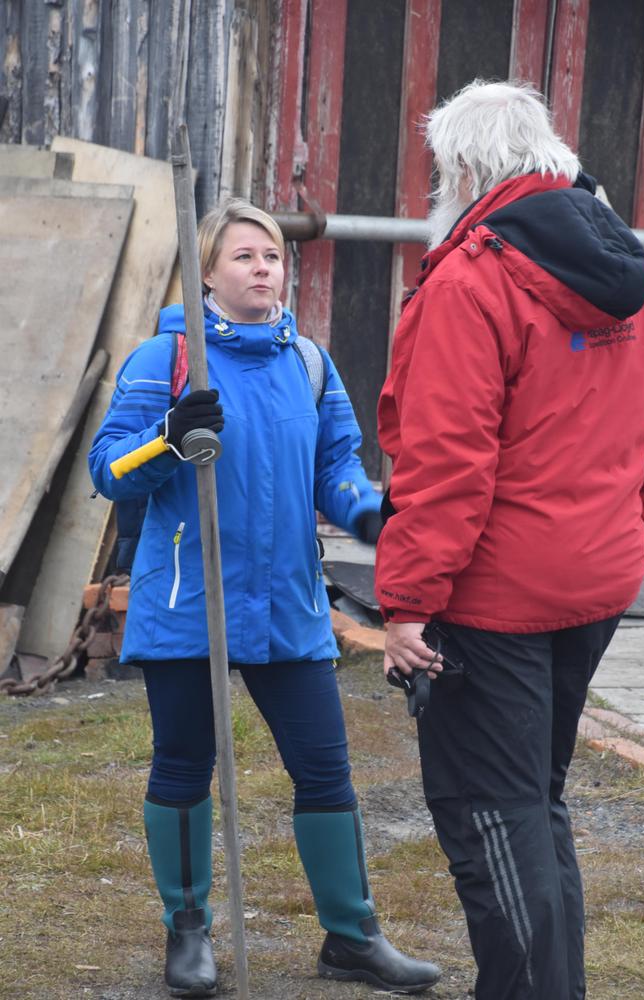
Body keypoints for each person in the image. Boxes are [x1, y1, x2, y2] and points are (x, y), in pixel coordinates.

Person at [89, 198, 441, 998]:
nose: (262, 270)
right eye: (244, 257)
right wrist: (170, 437)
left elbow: (338, 470)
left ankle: (352, 937)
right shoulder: (165, 358)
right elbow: (108, 469)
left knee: (325, 770)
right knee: (183, 765)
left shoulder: (309, 364)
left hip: (287, 603)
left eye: (273, 257)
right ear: (208, 270)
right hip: (189, 601)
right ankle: (187, 933)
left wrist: (374, 514)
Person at [376, 80, 644, 1000]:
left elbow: (445, 463)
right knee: (536, 803)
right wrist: (629, 534)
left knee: (491, 817)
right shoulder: (637, 275)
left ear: (463, 167)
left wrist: (409, 601)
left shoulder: (472, 279)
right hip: (593, 578)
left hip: (491, 599)